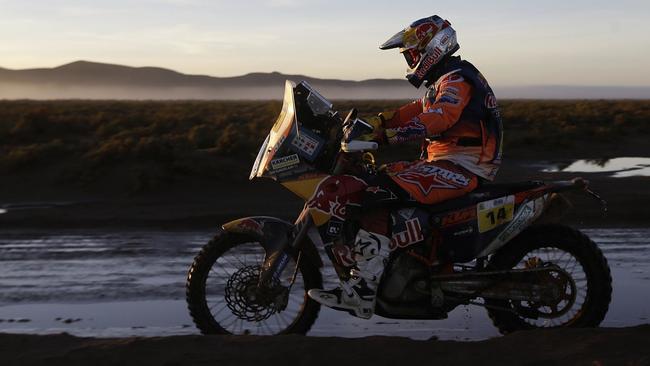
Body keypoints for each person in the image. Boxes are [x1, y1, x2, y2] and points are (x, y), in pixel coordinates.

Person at [307, 15, 503, 319]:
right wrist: (377, 123)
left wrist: (389, 135)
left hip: (462, 167)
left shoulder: (456, 80)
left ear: (433, 47)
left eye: (412, 53)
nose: (410, 59)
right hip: (449, 164)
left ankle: (363, 292)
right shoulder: (445, 79)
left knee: (376, 193)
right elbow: (412, 112)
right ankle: (401, 262)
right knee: (377, 177)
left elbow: (440, 117)